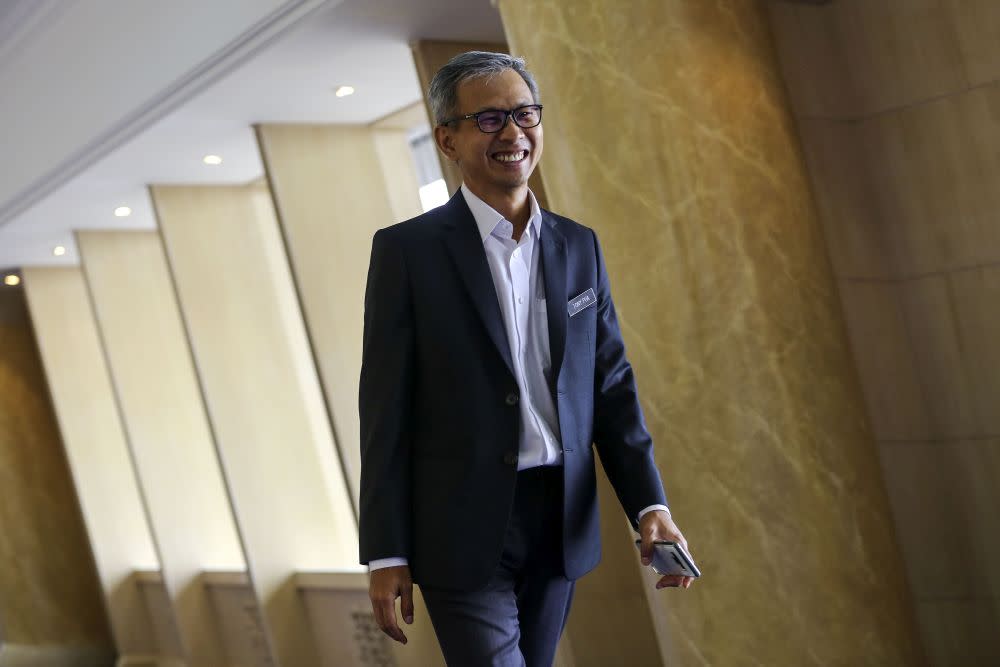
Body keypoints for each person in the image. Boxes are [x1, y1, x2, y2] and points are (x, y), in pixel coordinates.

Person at [359, 51, 694, 666]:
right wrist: (386, 551)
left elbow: (610, 385)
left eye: (524, 113)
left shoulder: (579, 245)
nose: (513, 132)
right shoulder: (407, 253)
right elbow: (384, 410)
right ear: (447, 139)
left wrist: (651, 506)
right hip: (459, 525)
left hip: (559, 518)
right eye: (488, 119)